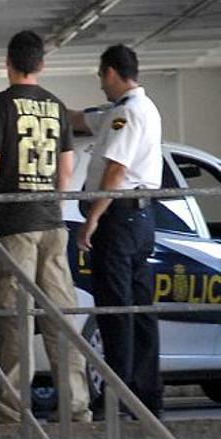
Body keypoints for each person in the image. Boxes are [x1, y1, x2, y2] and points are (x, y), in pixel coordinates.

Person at [0, 30, 91, 423]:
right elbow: (67, 170)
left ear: (8, 63)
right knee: (61, 317)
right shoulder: (56, 106)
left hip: (13, 226)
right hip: (52, 224)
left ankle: (10, 412)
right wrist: (50, 206)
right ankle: (75, 406)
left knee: (14, 318)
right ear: (41, 64)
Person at [70, 44, 164, 418]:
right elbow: (82, 119)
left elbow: (115, 171)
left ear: (111, 72)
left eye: (100, 76)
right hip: (141, 221)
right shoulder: (138, 109)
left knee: (116, 311)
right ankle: (146, 396)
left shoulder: (125, 113)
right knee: (140, 309)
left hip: (118, 220)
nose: (100, 84)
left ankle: (117, 398)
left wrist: (92, 217)